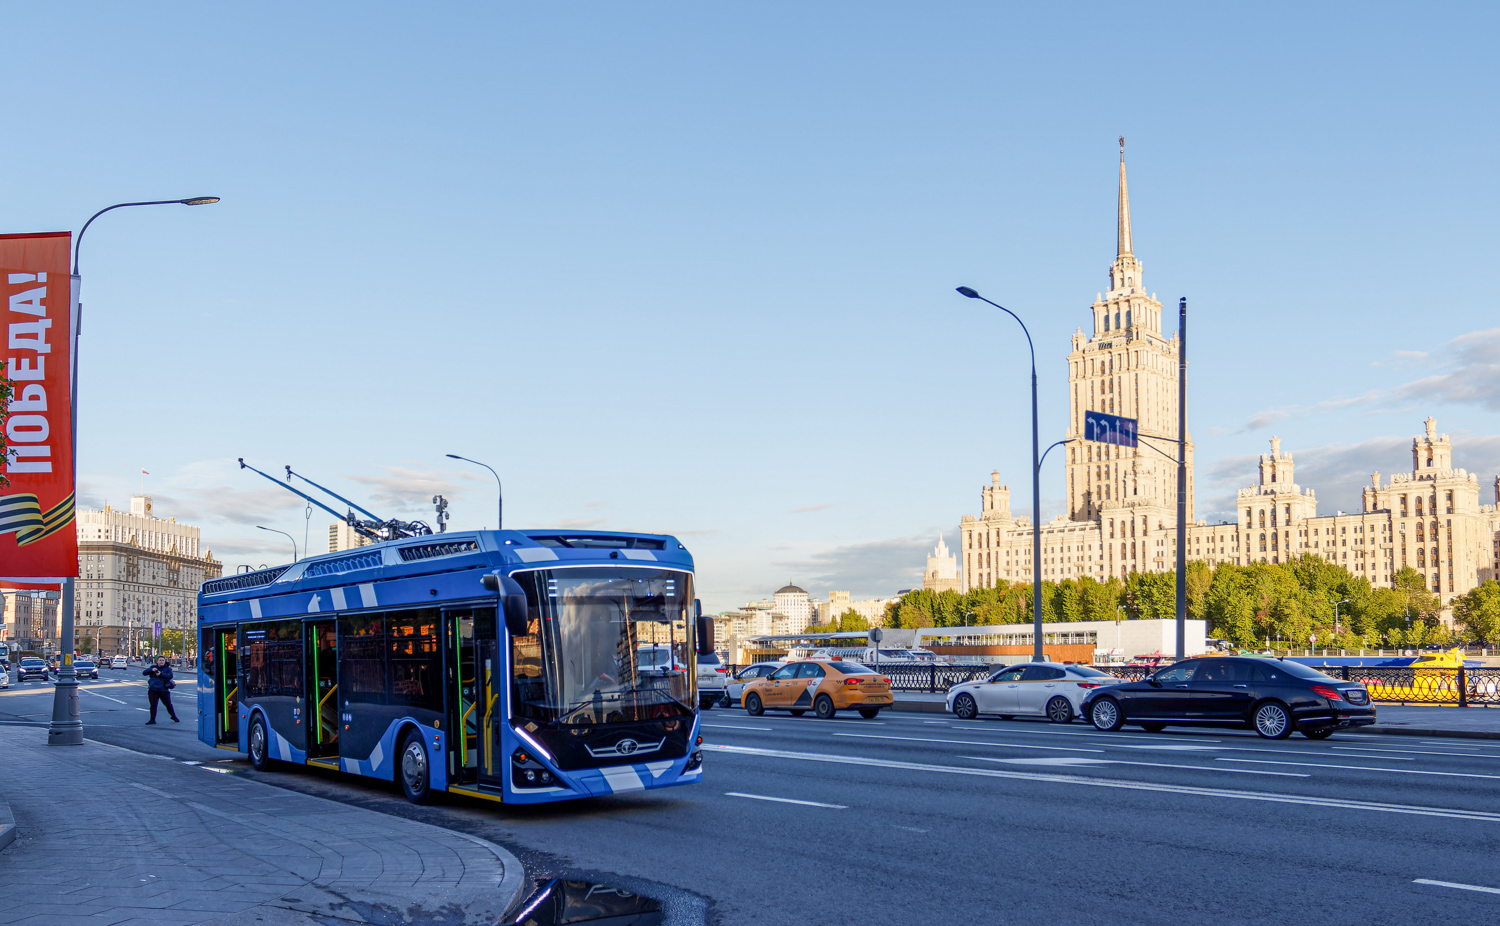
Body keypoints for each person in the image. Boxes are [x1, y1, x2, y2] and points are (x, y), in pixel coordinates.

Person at [143, 656, 179, 724]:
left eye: (163, 660)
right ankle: (152, 719)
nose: (161, 661)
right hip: (153, 689)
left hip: (163, 689)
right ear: (157, 661)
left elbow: (170, 676)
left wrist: (160, 674)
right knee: (153, 705)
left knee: (168, 704)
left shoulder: (167, 669)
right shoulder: (153, 667)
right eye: (160, 660)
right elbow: (144, 673)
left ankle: (173, 716)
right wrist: (151, 670)